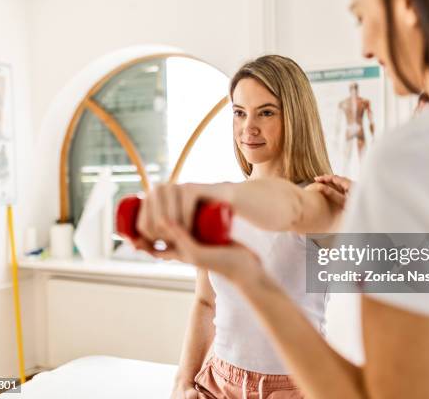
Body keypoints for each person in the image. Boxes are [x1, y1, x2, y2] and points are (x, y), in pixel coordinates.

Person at [133, 0, 429, 397]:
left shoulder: (419, 158)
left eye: (360, 15)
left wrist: (247, 274)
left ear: (408, 3)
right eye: (240, 113)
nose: (366, 46)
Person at [135, 54, 346, 399]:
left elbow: (287, 208)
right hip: (217, 379)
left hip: (292, 387)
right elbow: (205, 302)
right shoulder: (222, 202)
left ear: (295, 116)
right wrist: (183, 380)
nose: (248, 127)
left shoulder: (320, 201)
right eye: (239, 112)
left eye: (266, 112)